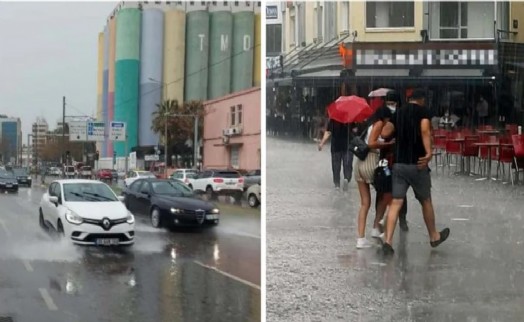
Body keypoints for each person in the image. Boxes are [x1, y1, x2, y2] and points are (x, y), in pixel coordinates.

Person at [381, 89, 450, 255]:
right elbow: (425, 130)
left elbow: (385, 133)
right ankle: (434, 236)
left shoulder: (398, 113)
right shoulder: (422, 112)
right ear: (422, 100)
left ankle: (388, 241)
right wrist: (428, 152)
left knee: (396, 202)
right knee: (425, 200)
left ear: (408, 99)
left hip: (399, 164)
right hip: (418, 164)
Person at [352, 109, 396, 248]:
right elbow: (371, 143)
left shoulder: (370, 125)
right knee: (389, 193)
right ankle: (378, 225)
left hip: (359, 164)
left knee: (365, 203)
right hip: (371, 161)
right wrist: (388, 144)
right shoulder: (379, 124)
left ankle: (361, 238)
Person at [371, 91, 409, 235]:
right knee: (384, 189)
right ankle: (379, 219)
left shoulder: (399, 118)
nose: (391, 106)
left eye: (393, 103)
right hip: (386, 159)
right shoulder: (384, 118)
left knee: (398, 191)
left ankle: (401, 218)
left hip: (396, 158)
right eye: (388, 103)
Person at [318, 119, 355, 191]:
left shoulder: (333, 119)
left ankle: (337, 184)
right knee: (347, 164)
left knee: (336, 166)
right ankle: (346, 179)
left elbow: (328, 132)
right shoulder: (350, 118)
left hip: (336, 146)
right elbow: (355, 131)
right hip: (347, 146)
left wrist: (322, 143)